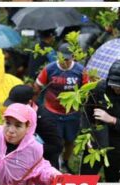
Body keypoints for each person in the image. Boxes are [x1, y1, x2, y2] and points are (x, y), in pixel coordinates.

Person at [34, 43, 89, 173]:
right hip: (52, 112)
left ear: (73, 57)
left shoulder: (81, 71)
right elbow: (37, 86)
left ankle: (65, 161)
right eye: (61, 59)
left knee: (70, 140)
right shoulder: (50, 69)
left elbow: (87, 90)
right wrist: (36, 105)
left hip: (72, 113)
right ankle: (55, 164)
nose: (64, 62)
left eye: (67, 59)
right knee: (55, 142)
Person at [3, 84, 63, 169]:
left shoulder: (45, 120)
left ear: (30, 103)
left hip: (43, 164)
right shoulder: (13, 116)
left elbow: (57, 146)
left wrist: (29, 148)